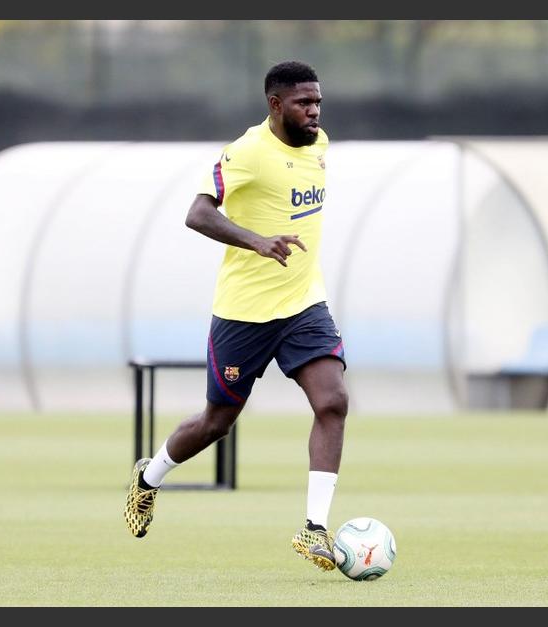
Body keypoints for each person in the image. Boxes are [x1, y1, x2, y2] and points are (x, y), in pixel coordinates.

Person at [123, 60, 348, 573]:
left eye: (317, 102)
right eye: (302, 103)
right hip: (244, 314)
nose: (313, 111)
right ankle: (149, 477)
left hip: (303, 305)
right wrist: (257, 241)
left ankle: (314, 528)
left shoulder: (320, 145)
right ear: (275, 105)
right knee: (216, 422)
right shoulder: (248, 152)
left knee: (332, 401)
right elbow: (197, 212)